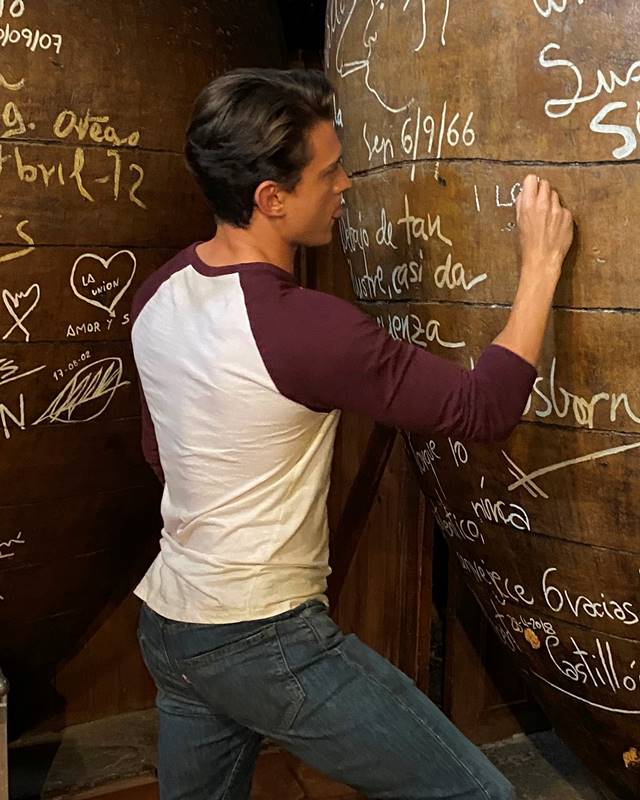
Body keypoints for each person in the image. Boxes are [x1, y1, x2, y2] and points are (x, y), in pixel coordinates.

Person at [130, 69, 573, 800]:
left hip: (173, 625)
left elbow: (160, 453)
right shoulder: (306, 329)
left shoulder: (159, 293)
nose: (345, 185)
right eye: (328, 172)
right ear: (271, 199)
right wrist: (542, 265)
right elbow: (485, 408)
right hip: (263, 640)